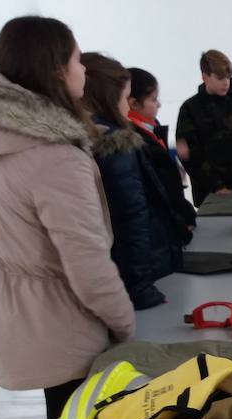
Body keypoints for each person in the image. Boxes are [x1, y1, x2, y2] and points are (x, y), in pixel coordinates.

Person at [0, 16, 134, 419]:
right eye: (76, 59)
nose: (83, 68)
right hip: (62, 322)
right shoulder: (54, 155)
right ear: (55, 69)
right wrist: (124, 322)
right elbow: (86, 261)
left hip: (21, 315)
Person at [82, 53, 182, 311]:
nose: (128, 107)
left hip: (121, 271)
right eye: (124, 98)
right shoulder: (117, 144)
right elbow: (132, 216)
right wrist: (141, 288)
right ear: (110, 97)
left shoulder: (95, 136)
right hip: (134, 274)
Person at [176, 50, 232, 206]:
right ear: (204, 76)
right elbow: (190, 154)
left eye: (228, 77)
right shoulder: (190, 109)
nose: (226, 82)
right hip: (209, 194)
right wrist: (216, 185)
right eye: (220, 78)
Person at [127, 67, 197, 244]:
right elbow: (156, 195)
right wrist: (179, 225)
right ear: (133, 104)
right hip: (163, 233)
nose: (159, 104)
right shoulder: (132, 140)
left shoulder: (152, 129)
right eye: (153, 99)